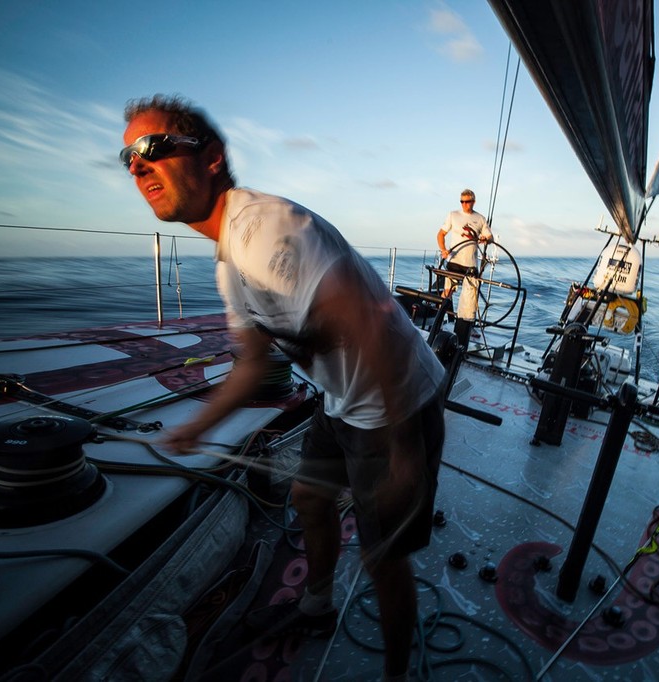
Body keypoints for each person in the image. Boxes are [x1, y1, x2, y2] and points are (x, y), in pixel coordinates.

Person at [120, 94, 445, 682]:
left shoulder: (265, 231)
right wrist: (196, 428)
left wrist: (402, 448)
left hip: (392, 406)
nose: (138, 166)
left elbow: (363, 317)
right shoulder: (230, 264)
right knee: (310, 499)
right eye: (128, 158)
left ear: (212, 157)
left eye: (153, 148)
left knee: (383, 557)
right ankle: (317, 607)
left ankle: (398, 676)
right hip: (344, 401)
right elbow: (253, 363)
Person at [435, 189, 493, 340]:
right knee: (447, 292)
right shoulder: (453, 215)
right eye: (462, 201)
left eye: (467, 201)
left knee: (470, 298)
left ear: (473, 201)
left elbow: (490, 237)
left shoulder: (480, 219)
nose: (464, 204)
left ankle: (468, 327)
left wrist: (485, 239)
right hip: (454, 261)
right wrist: (443, 250)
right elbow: (441, 234)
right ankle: (439, 321)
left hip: (471, 265)